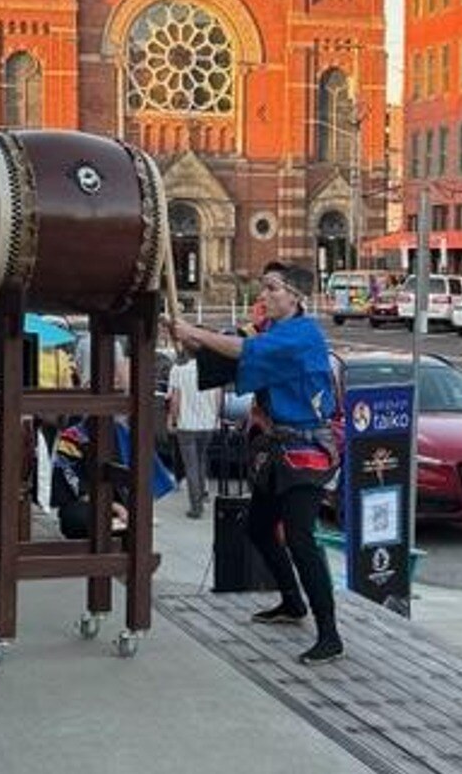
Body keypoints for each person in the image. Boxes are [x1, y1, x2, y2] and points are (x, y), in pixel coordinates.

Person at [168, 261, 344, 666]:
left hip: (306, 450)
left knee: (301, 538)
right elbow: (227, 356)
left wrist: (195, 331)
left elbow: (243, 352)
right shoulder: (271, 331)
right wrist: (188, 340)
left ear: (295, 296)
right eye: (263, 287)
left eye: (271, 288)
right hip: (276, 447)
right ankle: (291, 601)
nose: (263, 295)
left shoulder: (301, 336)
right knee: (259, 528)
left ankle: (330, 634)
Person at [167, 355, 220, 519]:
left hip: (187, 424)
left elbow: (175, 399)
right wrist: (215, 417)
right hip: (208, 423)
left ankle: (195, 507)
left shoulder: (179, 370)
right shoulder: (213, 370)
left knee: (191, 465)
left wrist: (173, 420)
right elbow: (218, 397)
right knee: (202, 459)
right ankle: (203, 493)